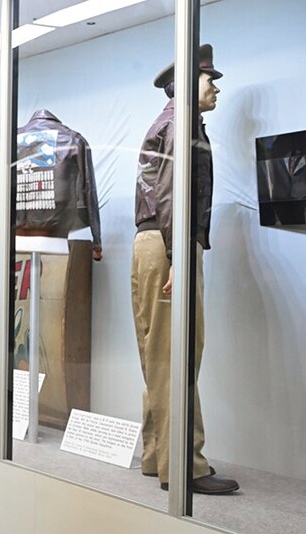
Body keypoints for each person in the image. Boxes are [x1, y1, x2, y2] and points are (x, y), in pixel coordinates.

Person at [131, 44, 239, 495]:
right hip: (168, 242)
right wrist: (179, 256)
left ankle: (158, 456)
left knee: (159, 355)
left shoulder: (170, 121)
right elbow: (172, 190)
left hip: (153, 242)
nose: (216, 87)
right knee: (178, 354)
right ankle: (184, 467)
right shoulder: (182, 122)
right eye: (209, 78)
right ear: (187, 84)